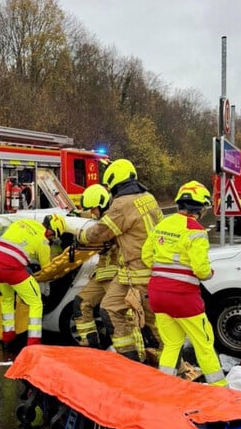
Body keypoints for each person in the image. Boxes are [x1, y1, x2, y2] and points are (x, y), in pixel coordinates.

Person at [77, 159, 163, 361]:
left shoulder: (122, 204)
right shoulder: (148, 197)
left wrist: (81, 236)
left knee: (152, 324)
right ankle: (130, 360)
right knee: (109, 308)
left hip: (139, 271)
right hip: (139, 270)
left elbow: (101, 232)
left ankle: (169, 366)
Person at [142, 181, 226, 385]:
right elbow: (201, 270)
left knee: (171, 344)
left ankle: (165, 387)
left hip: (158, 295)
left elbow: (146, 256)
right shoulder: (196, 230)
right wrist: (209, 274)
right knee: (204, 344)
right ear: (201, 208)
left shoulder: (162, 225)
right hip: (184, 298)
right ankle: (220, 389)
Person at [0, 213, 66, 349]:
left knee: (7, 299)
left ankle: (7, 337)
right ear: (51, 231)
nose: (52, 238)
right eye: (53, 235)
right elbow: (46, 269)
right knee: (36, 302)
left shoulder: (22, 223)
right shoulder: (43, 242)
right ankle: (34, 343)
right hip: (11, 268)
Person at [72, 184, 119, 348]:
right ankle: (90, 344)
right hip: (103, 274)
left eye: (94, 209)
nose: (93, 213)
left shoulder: (111, 220)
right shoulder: (103, 220)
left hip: (116, 275)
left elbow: (96, 236)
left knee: (114, 313)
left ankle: (128, 352)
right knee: (81, 303)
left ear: (103, 205)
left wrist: (80, 236)